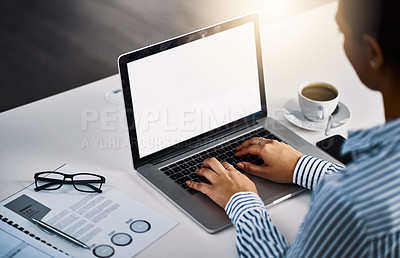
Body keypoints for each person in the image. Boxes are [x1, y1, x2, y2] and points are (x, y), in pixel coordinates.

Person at [186, 0, 400, 256]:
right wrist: (302, 166)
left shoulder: (351, 200)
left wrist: (242, 201)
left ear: (372, 52)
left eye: (342, 33)